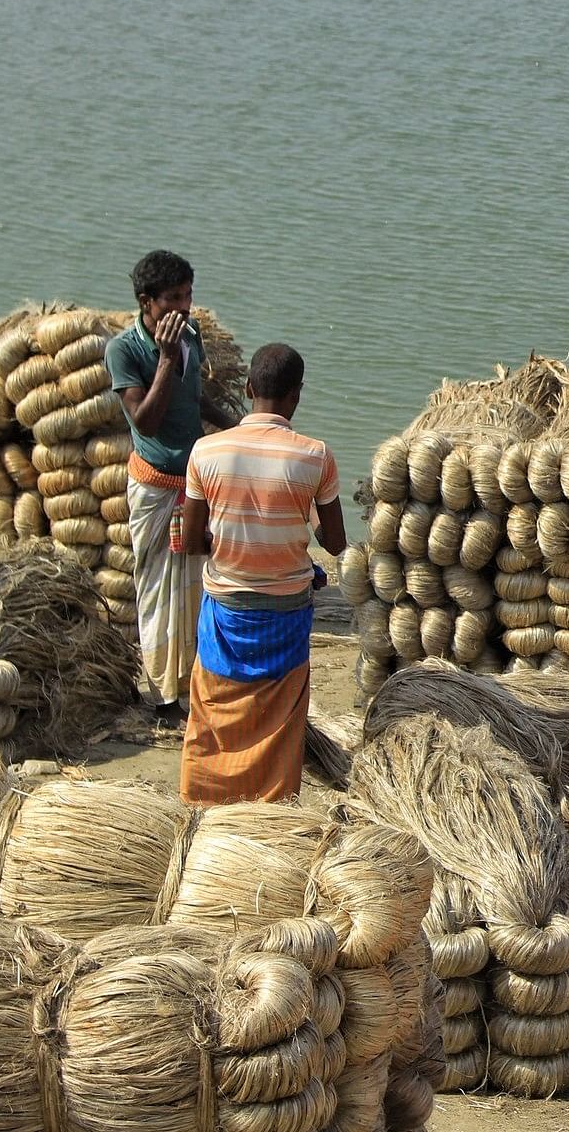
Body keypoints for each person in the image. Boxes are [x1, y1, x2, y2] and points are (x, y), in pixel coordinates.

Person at [178, 344, 345, 804]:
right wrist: (301, 515)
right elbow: (335, 542)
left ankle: (204, 801)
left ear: (249, 389)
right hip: (286, 613)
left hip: (227, 611)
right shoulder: (316, 456)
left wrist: (231, 543)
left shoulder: (205, 451)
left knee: (213, 712)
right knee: (278, 723)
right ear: (296, 396)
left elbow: (192, 542)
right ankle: (269, 807)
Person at [107, 250, 239, 719]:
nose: (185, 306)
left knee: (198, 585)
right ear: (148, 302)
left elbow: (193, 397)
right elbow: (145, 420)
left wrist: (235, 425)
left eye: (188, 295)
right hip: (157, 486)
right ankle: (164, 694)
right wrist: (164, 360)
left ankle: (197, 681)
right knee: (161, 589)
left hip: (195, 481)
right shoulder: (125, 350)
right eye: (174, 298)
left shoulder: (191, 333)